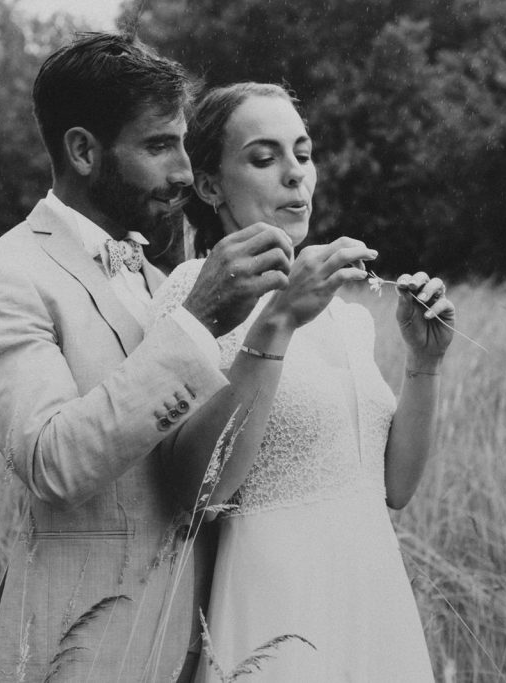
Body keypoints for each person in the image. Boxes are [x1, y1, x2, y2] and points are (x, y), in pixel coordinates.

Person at [0, 36, 296, 682]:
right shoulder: (5, 276)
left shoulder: (149, 272)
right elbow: (52, 459)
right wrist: (196, 321)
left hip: (191, 640)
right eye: (158, 145)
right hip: (78, 652)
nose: (184, 174)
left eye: (184, 145)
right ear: (83, 150)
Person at [150, 82, 453, 681]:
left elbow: (393, 487)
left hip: (373, 595)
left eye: (304, 153)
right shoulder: (193, 291)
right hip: (277, 605)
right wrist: (279, 319)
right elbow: (196, 488)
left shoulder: (347, 314)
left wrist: (424, 365)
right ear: (209, 186)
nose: (295, 175)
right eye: (264, 158)